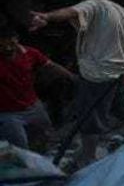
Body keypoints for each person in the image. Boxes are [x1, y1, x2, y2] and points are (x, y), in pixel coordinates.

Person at [28, 0, 124, 166]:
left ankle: (87, 158)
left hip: (98, 74)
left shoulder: (94, 5)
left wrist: (46, 17)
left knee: (90, 117)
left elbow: (70, 12)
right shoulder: (122, 11)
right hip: (118, 70)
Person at [0, 22, 72, 150]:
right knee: (20, 147)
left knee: (47, 138)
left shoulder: (30, 53)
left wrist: (73, 78)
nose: (8, 49)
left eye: (11, 43)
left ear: (16, 40)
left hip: (32, 106)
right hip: (8, 114)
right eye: (3, 45)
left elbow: (50, 66)